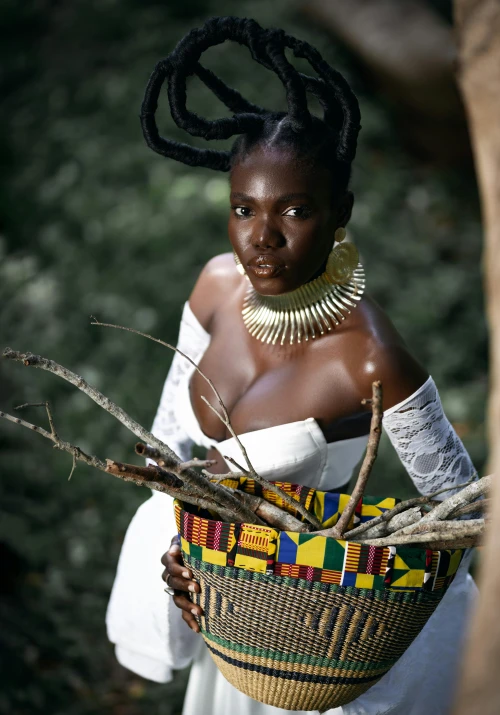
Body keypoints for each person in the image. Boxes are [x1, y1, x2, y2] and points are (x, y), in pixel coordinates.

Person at [106, 17, 478, 715]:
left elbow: (462, 517)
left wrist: (347, 599)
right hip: (223, 625)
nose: (262, 238)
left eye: (295, 210)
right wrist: (182, 557)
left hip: (310, 646)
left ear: (341, 213)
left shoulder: (370, 356)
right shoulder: (217, 285)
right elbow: (170, 453)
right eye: (243, 208)